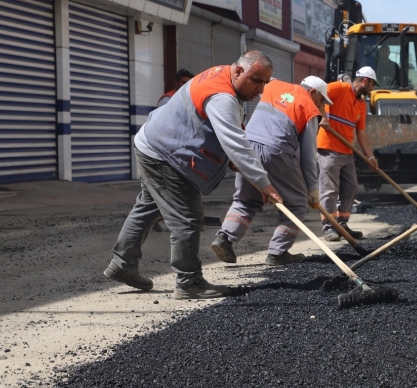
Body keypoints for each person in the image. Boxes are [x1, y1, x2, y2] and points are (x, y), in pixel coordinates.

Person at [104, 51, 283, 299]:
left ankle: (122, 265)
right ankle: (188, 282)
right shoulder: (223, 97)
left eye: (266, 82)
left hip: (153, 141)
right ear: (239, 71)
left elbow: (223, 133)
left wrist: (232, 161)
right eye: (256, 80)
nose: (261, 89)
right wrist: (265, 185)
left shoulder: (224, 74)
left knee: (148, 207)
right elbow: (236, 143)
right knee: (187, 217)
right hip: (164, 153)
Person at [211, 76, 333, 265]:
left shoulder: (273, 86)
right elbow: (309, 155)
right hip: (277, 151)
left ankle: (224, 238)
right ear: (313, 93)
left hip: (247, 147)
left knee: (246, 199)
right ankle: (278, 252)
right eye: (322, 100)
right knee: (296, 203)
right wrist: (312, 189)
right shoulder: (309, 108)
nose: (322, 106)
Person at [316, 66, 380, 241]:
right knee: (329, 190)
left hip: (347, 152)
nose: (373, 89)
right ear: (365, 80)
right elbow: (316, 93)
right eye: (372, 84)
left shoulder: (361, 103)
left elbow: (361, 133)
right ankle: (329, 227)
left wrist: (370, 156)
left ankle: (341, 224)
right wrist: (322, 116)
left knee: (350, 188)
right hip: (329, 148)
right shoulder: (339, 88)